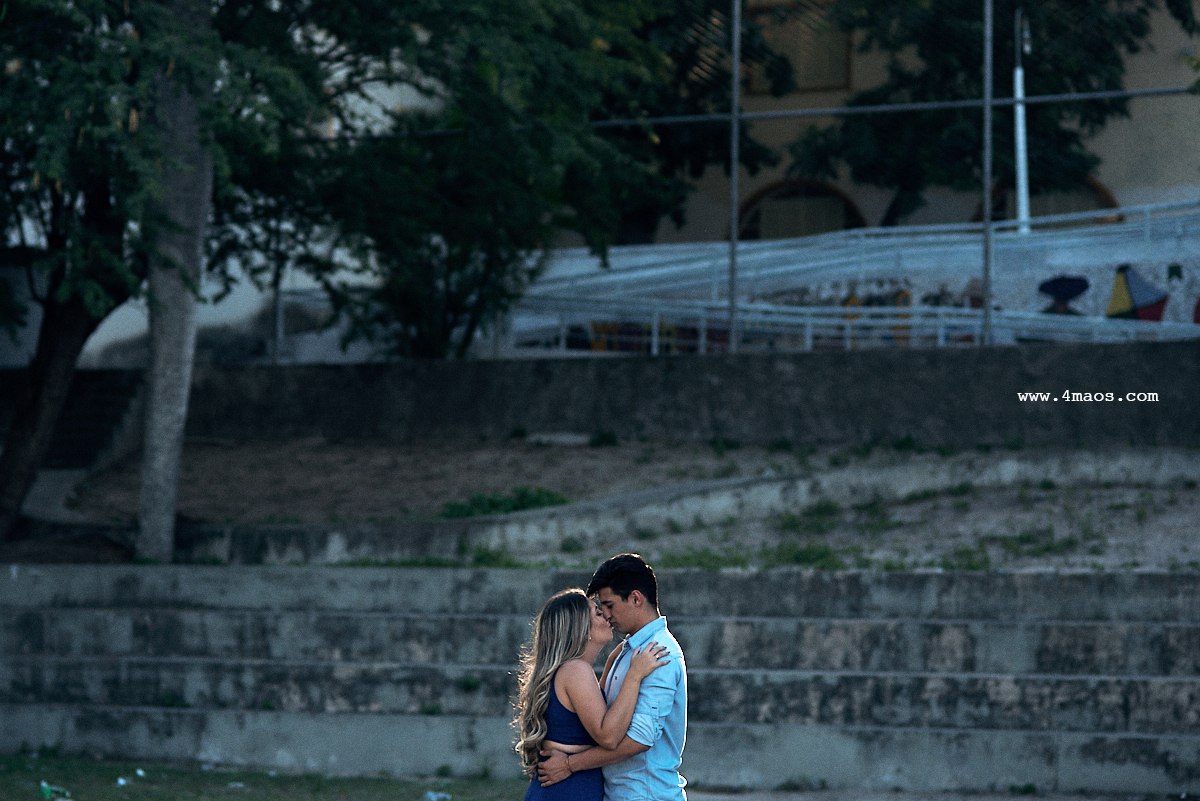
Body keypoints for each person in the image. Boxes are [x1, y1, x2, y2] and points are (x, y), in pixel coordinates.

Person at [539, 553, 688, 801]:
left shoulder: (659, 654)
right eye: (601, 608)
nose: (606, 614)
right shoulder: (629, 651)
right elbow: (600, 719)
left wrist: (568, 765)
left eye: (609, 605)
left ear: (635, 598)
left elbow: (638, 741)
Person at [514, 587, 670, 801]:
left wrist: (608, 668)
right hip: (567, 789)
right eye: (598, 613)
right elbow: (608, 736)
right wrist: (634, 675)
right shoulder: (575, 670)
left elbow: (588, 714)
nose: (606, 615)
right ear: (582, 629)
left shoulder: (570, 670)